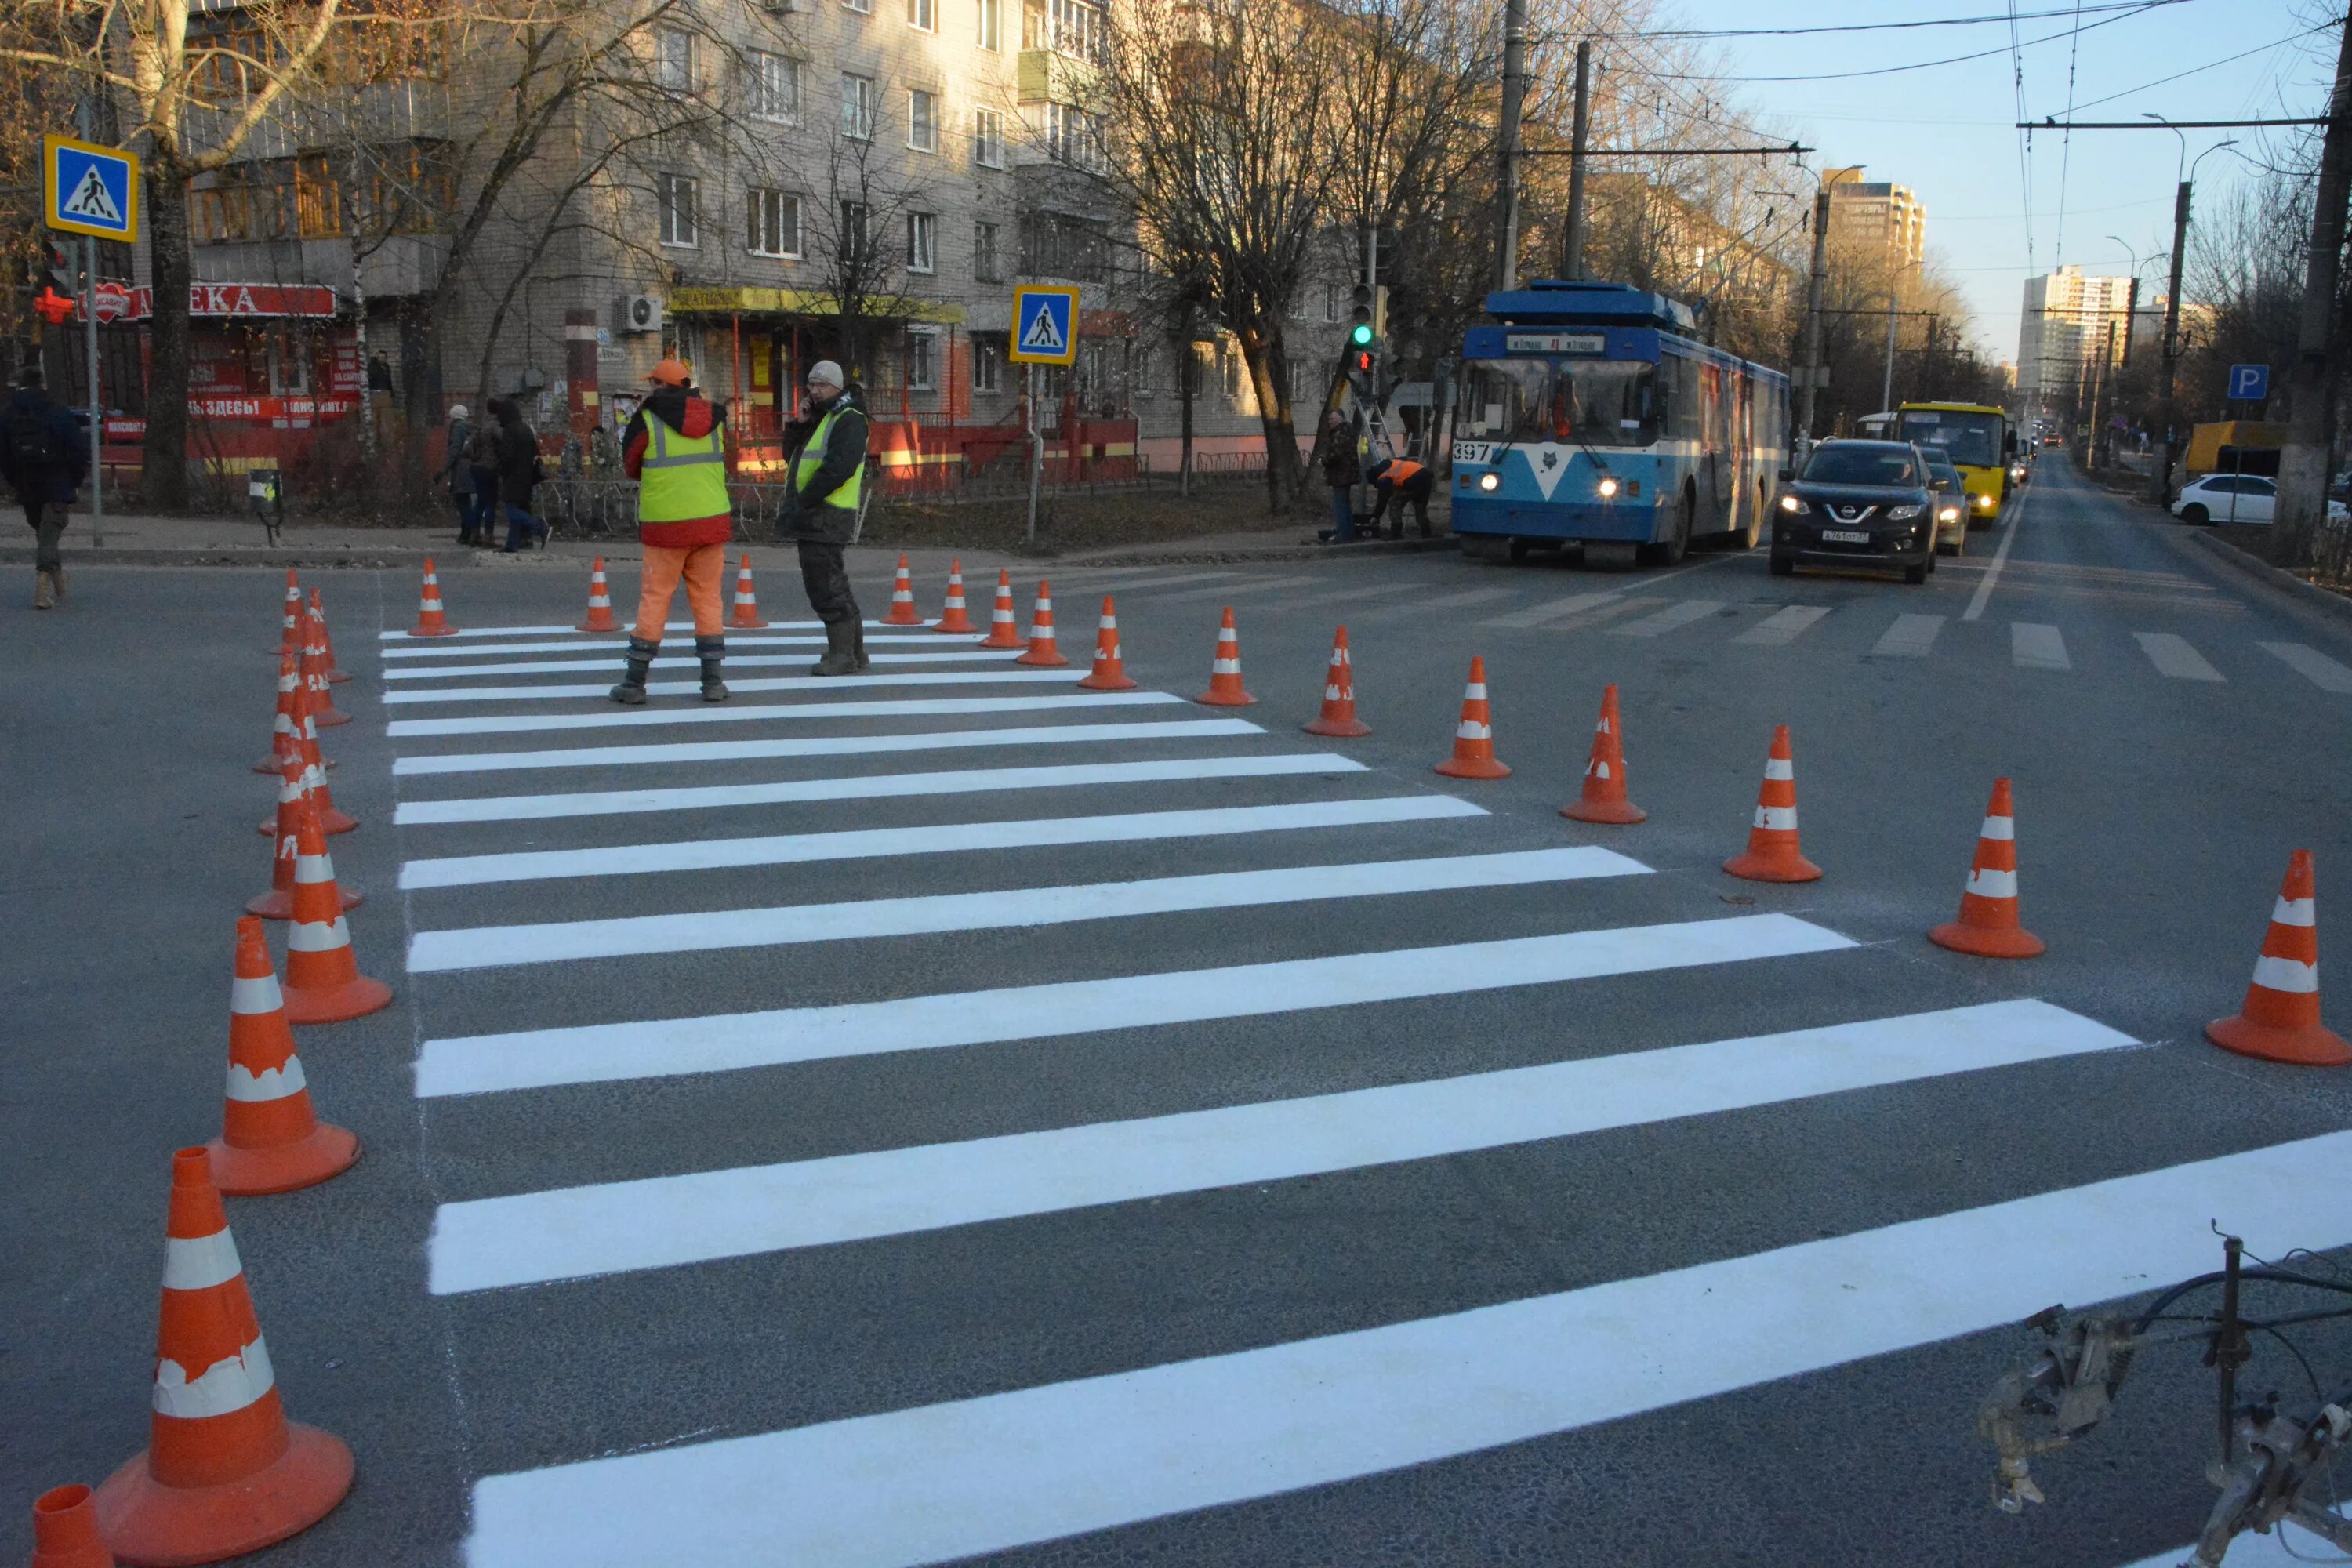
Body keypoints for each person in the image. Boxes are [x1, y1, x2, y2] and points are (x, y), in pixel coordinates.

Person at [610, 358, 733, 705]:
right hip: (711, 522)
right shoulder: (716, 419)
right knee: (709, 600)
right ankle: (713, 683)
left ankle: (634, 684)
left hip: (666, 527)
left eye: (654, 383)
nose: (651, 388)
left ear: (663, 386)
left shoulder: (647, 420)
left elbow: (631, 465)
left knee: (655, 599)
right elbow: (728, 461)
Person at [778, 359, 869, 675]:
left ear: (837, 386)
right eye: (811, 385)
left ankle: (843, 656)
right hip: (816, 514)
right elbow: (791, 457)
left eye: (821, 385)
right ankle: (854, 652)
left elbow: (838, 468)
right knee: (833, 584)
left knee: (826, 587)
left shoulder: (849, 419)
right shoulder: (821, 418)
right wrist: (800, 424)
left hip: (827, 514)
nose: (814, 391)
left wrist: (806, 500)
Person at [2, 366, 89, 610]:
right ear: (42, 385)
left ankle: (59, 582)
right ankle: (42, 589)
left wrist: (16, 482)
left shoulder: (7, 415)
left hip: (27, 486)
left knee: (44, 535)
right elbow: (79, 450)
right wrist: (74, 480)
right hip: (57, 484)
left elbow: (4, 456)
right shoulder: (57, 412)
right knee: (49, 537)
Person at [491, 397, 546, 552]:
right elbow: (535, 451)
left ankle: (539, 527)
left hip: (514, 476)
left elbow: (507, 456)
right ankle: (512, 544)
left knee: (511, 510)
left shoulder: (509, 430)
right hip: (528, 475)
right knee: (520, 506)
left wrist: (500, 464)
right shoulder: (526, 429)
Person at [1366, 452, 1435, 539]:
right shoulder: (1391, 463)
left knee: (1394, 502)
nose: (1375, 486)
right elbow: (1404, 459)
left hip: (1413, 480)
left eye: (1374, 484)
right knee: (1420, 505)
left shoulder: (1384, 477)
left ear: (1374, 478)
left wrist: (1376, 517)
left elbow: (1383, 500)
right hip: (1426, 477)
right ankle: (1426, 532)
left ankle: (1396, 533)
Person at [1317, 409, 1361, 543]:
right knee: (1345, 504)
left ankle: (1343, 535)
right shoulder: (1348, 431)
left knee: (1340, 506)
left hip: (1341, 474)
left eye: (1334, 419)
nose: (1331, 422)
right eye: (1330, 419)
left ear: (1341, 419)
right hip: (1348, 473)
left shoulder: (1339, 434)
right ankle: (1348, 533)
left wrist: (1323, 460)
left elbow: (1335, 455)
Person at [441, 404, 483, 545]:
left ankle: (470, 532)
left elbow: (454, 450)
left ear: (453, 416)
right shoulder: (472, 428)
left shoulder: (458, 429)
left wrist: (444, 469)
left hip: (461, 469)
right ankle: (467, 532)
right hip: (473, 467)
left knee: (463, 502)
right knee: (467, 502)